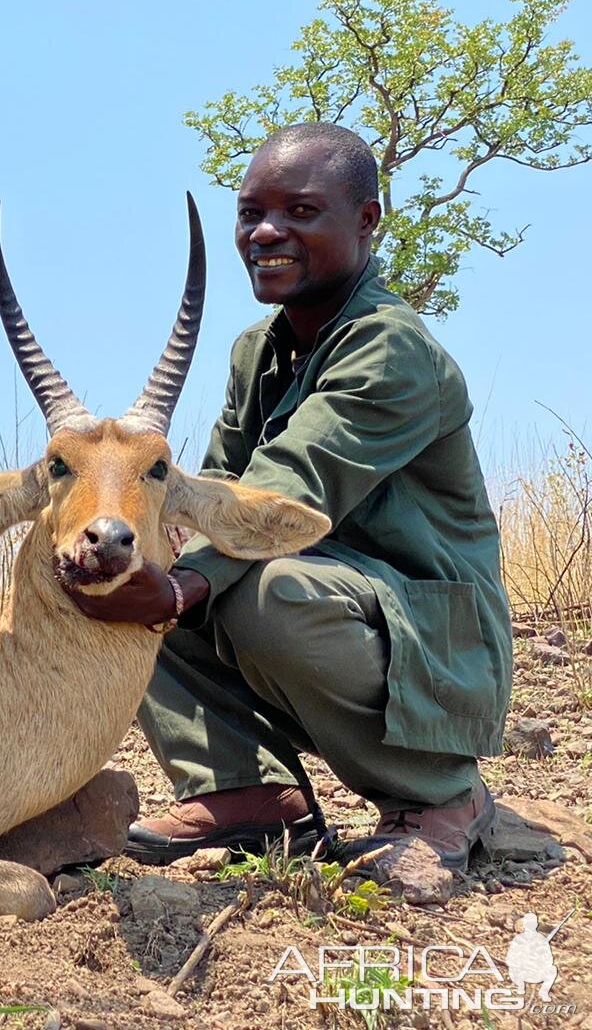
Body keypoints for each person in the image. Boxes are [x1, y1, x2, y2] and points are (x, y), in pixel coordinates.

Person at [63, 123, 510, 873]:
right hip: (338, 610)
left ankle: (441, 798)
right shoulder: (257, 351)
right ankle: (249, 795)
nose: (265, 232)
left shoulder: (392, 347)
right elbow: (201, 498)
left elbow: (285, 487)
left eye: (300, 211)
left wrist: (181, 587)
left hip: (435, 646)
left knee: (262, 592)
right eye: (249, 214)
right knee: (126, 571)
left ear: (366, 220)